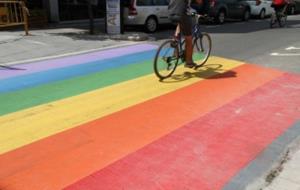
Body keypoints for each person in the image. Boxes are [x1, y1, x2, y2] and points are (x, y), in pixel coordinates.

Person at [169, 0, 203, 68]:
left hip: (171, 12)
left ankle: (175, 40)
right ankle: (189, 62)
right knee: (189, 39)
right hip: (182, 14)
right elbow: (199, 1)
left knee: (180, 24)